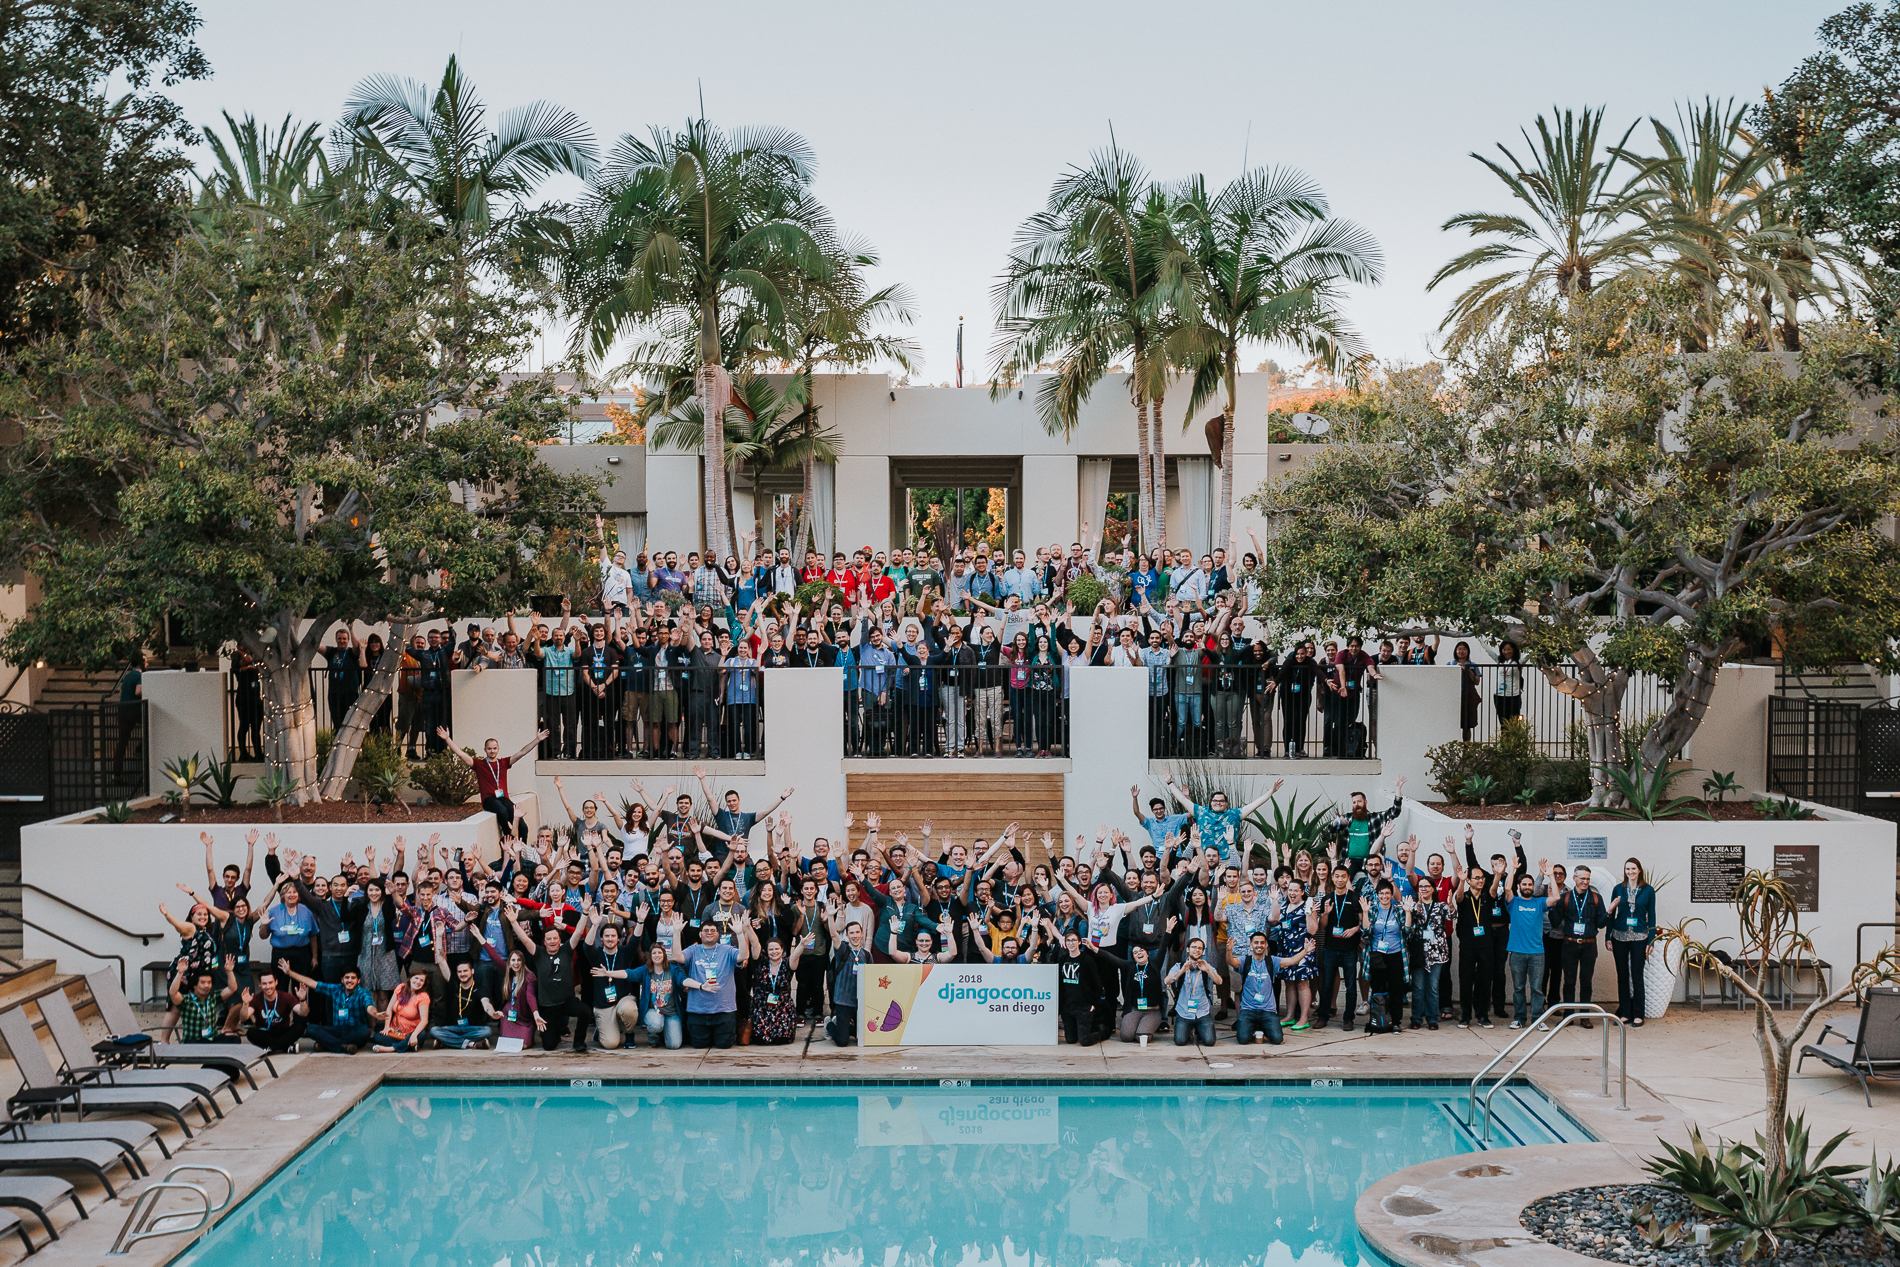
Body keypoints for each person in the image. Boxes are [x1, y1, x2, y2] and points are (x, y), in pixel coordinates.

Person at [1507, 849, 1566, 1030]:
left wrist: (1550, 877)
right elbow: (1507, 888)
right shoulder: (1513, 902)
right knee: (1518, 988)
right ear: (1520, 887)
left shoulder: (1539, 902)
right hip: (1517, 952)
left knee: (1537, 989)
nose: (1527, 886)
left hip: (1537, 953)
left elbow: (1556, 897)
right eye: (1524, 884)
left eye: (1530, 884)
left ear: (1533, 887)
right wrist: (1512, 869)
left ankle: (1538, 1020)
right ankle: (1519, 1018)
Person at [672, 918, 749, 1049]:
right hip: (698, 1010)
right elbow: (677, 957)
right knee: (699, 1045)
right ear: (700, 934)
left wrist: (740, 933)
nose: (709, 933)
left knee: (724, 1045)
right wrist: (676, 932)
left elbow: (743, 955)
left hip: (724, 1010)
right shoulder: (694, 950)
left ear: (718, 934)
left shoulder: (727, 950)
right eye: (706, 930)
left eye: (713, 930)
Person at [1231, 928, 1312, 1046]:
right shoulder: (1245, 960)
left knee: (1277, 1039)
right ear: (1251, 945)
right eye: (1256, 942)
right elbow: (1232, 962)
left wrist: (1305, 951)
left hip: (1267, 1010)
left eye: (1262, 943)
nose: (1259, 945)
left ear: (1266, 944)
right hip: (1248, 1010)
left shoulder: (1271, 961)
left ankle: (1263, 1026)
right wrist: (1229, 950)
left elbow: (1292, 961)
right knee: (1243, 1039)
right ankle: (1254, 1026)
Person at [280, 962, 376, 1053]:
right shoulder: (336, 989)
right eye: (347, 978)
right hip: (337, 1030)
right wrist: (290, 972)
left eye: (353, 978)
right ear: (342, 980)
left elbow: (369, 1006)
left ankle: (328, 1044)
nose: (349, 980)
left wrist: (374, 1013)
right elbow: (312, 983)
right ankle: (343, 1047)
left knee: (365, 1032)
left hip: (355, 1030)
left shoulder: (364, 993)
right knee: (311, 1028)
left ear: (358, 980)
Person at [1607, 857, 1657, 1028]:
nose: (1630, 872)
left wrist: (1651, 941)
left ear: (1639, 870)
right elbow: (1611, 913)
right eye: (1627, 869)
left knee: (1637, 976)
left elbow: (1652, 916)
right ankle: (1625, 1013)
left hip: (1639, 938)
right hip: (1619, 936)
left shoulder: (1648, 890)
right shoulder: (1618, 889)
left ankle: (1638, 1014)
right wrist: (1608, 936)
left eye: (1633, 869)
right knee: (1622, 977)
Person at [1556, 864, 1607, 1024]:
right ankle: (1568, 1016)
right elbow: (1555, 920)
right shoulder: (1565, 897)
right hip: (1570, 944)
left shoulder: (1596, 898)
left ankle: (1585, 1017)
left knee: (1586, 982)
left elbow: (1600, 924)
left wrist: (1610, 913)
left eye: (1587, 879)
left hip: (1589, 945)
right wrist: (1553, 902)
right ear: (1574, 879)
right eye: (1582, 878)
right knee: (1569, 981)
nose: (1585, 882)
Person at [1167, 936, 1220, 1046]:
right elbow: (1167, 981)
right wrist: (1182, 971)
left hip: (1202, 1012)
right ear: (1187, 949)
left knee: (1210, 1042)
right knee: (1180, 1041)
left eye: (1200, 948)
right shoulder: (1179, 966)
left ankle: (1198, 1030)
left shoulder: (1206, 966)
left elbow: (1219, 981)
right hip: (1184, 1012)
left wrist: (1208, 970)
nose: (1197, 950)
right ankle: (1189, 1030)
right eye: (1194, 947)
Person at [368, 970, 432, 1051]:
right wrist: (387, 1027)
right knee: (378, 1036)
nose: (418, 982)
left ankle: (392, 1048)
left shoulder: (423, 996)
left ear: (424, 984)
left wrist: (414, 1035)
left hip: (411, 1032)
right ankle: (409, 1046)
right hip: (395, 1031)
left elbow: (424, 1020)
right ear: (410, 978)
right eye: (416, 978)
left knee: (422, 1034)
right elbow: (389, 1008)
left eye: (422, 980)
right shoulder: (401, 988)